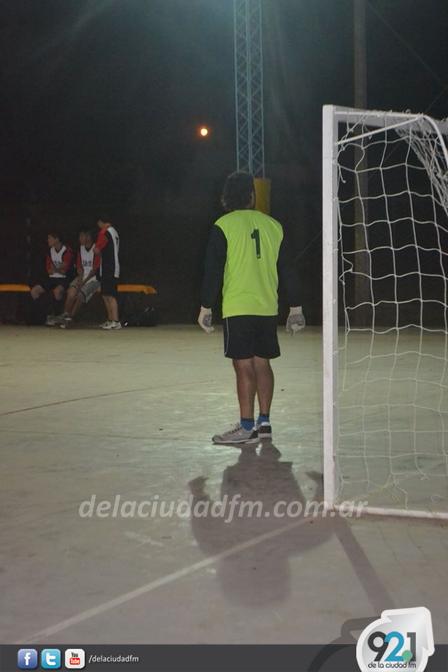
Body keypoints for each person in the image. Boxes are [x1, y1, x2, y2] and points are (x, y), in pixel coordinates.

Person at [198, 172, 305, 445]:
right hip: (267, 307)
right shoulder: (273, 226)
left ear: (226, 197)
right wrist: (295, 307)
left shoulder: (223, 225)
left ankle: (246, 427)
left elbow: (213, 269)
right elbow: (288, 269)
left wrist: (206, 306)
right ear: (251, 195)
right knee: (262, 363)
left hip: (238, 307)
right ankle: (264, 423)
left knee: (243, 366)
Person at [56, 229, 101, 327]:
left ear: (88, 237)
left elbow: (94, 270)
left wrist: (84, 282)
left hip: (93, 279)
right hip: (82, 277)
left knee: (80, 295)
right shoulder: (81, 249)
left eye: (82, 236)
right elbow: (79, 267)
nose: (80, 239)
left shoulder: (96, 249)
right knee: (71, 292)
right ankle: (65, 315)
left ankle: (71, 318)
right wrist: (80, 279)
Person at [30, 232, 74, 326]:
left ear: (57, 239)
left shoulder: (67, 251)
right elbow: (49, 270)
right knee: (34, 291)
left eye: (50, 238)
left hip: (64, 279)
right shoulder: (50, 251)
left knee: (57, 291)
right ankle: (44, 316)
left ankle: (58, 317)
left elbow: (65, 270)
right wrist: (58, 269)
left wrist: (56, 269)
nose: (48, 240)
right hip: (51, 278)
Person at [95, 215, 121, 330]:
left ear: (101, 222)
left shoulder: (105, 232)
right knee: (105, 294)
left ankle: (116, 321)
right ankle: (110, 319)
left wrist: (96, 249)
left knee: (110, 294)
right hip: (108, 266)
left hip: (109, 267)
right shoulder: (114, 231)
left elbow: (97, 250)